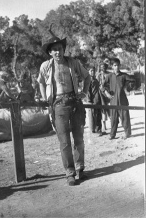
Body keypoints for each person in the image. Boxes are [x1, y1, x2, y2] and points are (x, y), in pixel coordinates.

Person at [38, 35, 91, 186]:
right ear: (50, 52)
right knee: (64, 141)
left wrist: (84, 92)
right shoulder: (45, 66)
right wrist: (44, 97)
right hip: (58, 105)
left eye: (60, 49)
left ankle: (80, 169)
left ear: (63, 49)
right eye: (54, 50)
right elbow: (41, 82)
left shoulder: (73, 62)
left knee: (79, 138)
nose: (57, 52)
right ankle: (70, 173)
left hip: (75, 103)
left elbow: (87, 77)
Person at [102, 58, 135, 140]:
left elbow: (133, 80)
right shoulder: (109, 76)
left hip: (122, 100)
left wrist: (128, 88)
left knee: (125, 118)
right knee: (113, 119)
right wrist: (107, 93)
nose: (116, 67)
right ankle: (112, 135)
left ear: (120, 66)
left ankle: (127, 134)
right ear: (112, 66)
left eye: (118, 65)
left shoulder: (124, 75)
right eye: (115, 65)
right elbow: (102, 86)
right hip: (113, 101)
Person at [88, 67, 102, 136]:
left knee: (99, 115)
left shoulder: (96, 80)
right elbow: (88, 91)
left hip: (98, 100)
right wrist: (89, 101)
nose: (92, 72)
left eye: (93, 71)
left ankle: (98, 129)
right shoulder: (88, 80)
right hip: (92, 101)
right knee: (93, 116)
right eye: (91, 71)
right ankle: (93, 130)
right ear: (88, 72)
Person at [96, 62, 110, 133]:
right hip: (101, 94)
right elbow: (97, 84)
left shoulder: (109, 74)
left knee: (110, 108)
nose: (103, 68)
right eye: (102, 67)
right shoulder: (99, 75)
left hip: (109, 93)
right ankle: (104, 126)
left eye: (104, 67)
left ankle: (113, 123)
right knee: (103, 109)